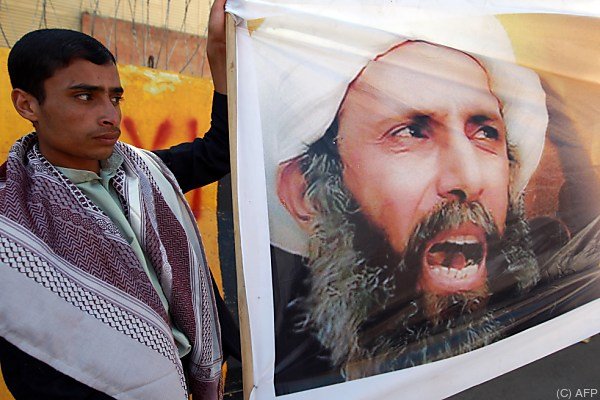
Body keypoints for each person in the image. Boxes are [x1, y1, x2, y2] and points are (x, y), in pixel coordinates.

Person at [263, 20, 600, 394]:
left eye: (486, 132)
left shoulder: (568, 332)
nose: (469, 179)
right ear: (310, 193)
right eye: (410, 132)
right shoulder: (276, 364)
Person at [0, 1, 237, 399]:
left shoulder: (146, 172)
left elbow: (221, 150)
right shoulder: (12, 214)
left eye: (115, 97)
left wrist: (218, 54)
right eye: (84, 97)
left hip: (188, 379)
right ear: (27, 104)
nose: (110, 115)